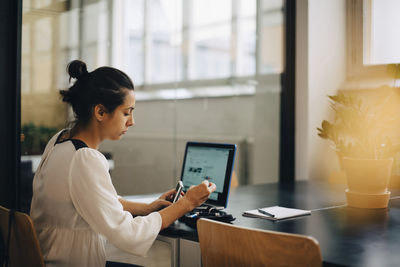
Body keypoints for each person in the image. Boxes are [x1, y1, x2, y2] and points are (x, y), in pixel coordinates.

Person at [30, 60, 216, 267]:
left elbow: (95, 199)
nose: (132, 121)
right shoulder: (84, 158)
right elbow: (129, 234)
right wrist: (187, 204)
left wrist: (147, 208)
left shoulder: (59, 141)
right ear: (100, 112)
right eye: (126, 113)